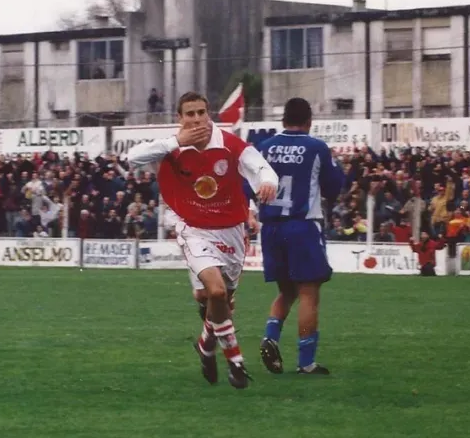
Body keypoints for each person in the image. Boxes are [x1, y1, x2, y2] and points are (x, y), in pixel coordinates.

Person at [127, 91, 278, 389]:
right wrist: (176, 142)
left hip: (231, 230)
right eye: (190, 114)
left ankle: (206, 346)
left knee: (221, 300)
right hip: (193, 229)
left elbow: (260, 167)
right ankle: (236, 362)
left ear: (209, 115)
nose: (196, 119)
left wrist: (267, 182)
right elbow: (132, 158)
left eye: (201, 113)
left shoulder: (229, 144)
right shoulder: (170, 148)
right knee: (215, 293)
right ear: (180, 118)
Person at [255, 97, 344, 376]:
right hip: (303, 225)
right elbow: (332, 189)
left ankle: (270, 337)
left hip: (271, 228)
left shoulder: (264, 148)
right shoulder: (316, 147)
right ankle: (306, 362)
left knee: (286, 291)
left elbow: (250, 186)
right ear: (309, 122)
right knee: (309, 293)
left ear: (282, 120)